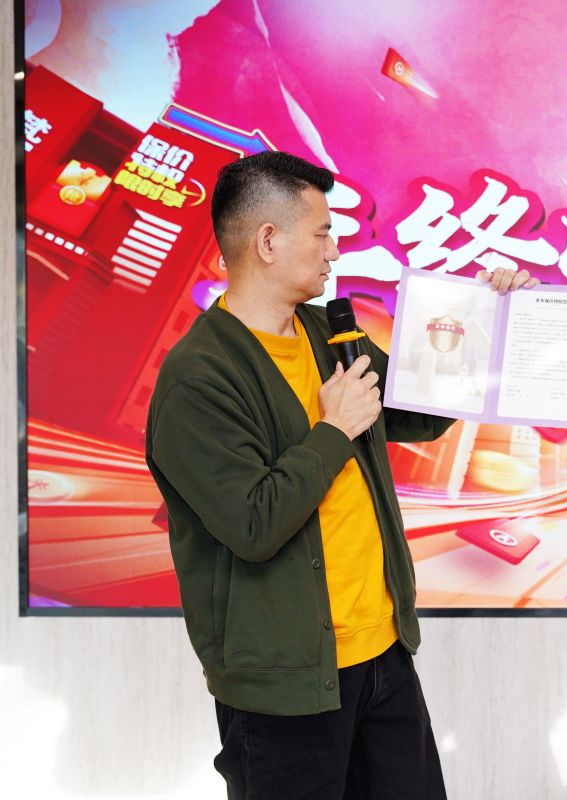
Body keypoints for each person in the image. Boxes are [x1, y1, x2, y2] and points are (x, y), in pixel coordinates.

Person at [145, 151, 538, 799]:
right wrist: (333, 431)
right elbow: (253, 524)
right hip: (285, 684)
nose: (334, 250)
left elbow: (417, 413)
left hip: (383, 655)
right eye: (323, 232)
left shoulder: (326, 333)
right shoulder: (199, 377)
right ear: (268, 241)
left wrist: (488, 318)